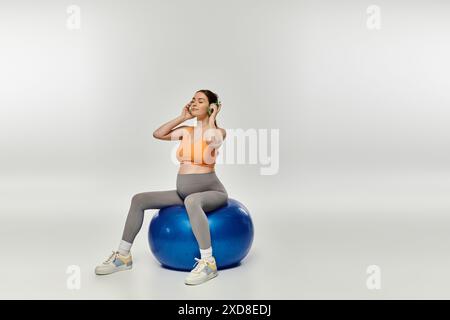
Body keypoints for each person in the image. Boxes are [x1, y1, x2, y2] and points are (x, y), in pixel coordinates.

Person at [94, 89, 228, 285]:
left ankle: (209, 263)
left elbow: (213, 140)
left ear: (211, 107)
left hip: (212, 192)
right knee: (139, 199)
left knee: (192, 201)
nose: (194, 103)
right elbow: (158, 134)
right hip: (183, 193)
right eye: (192, 100)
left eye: (200, 101)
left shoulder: (218, 132)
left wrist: (213, 117)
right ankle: (123, 257)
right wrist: (182, 117)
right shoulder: (186, 131)